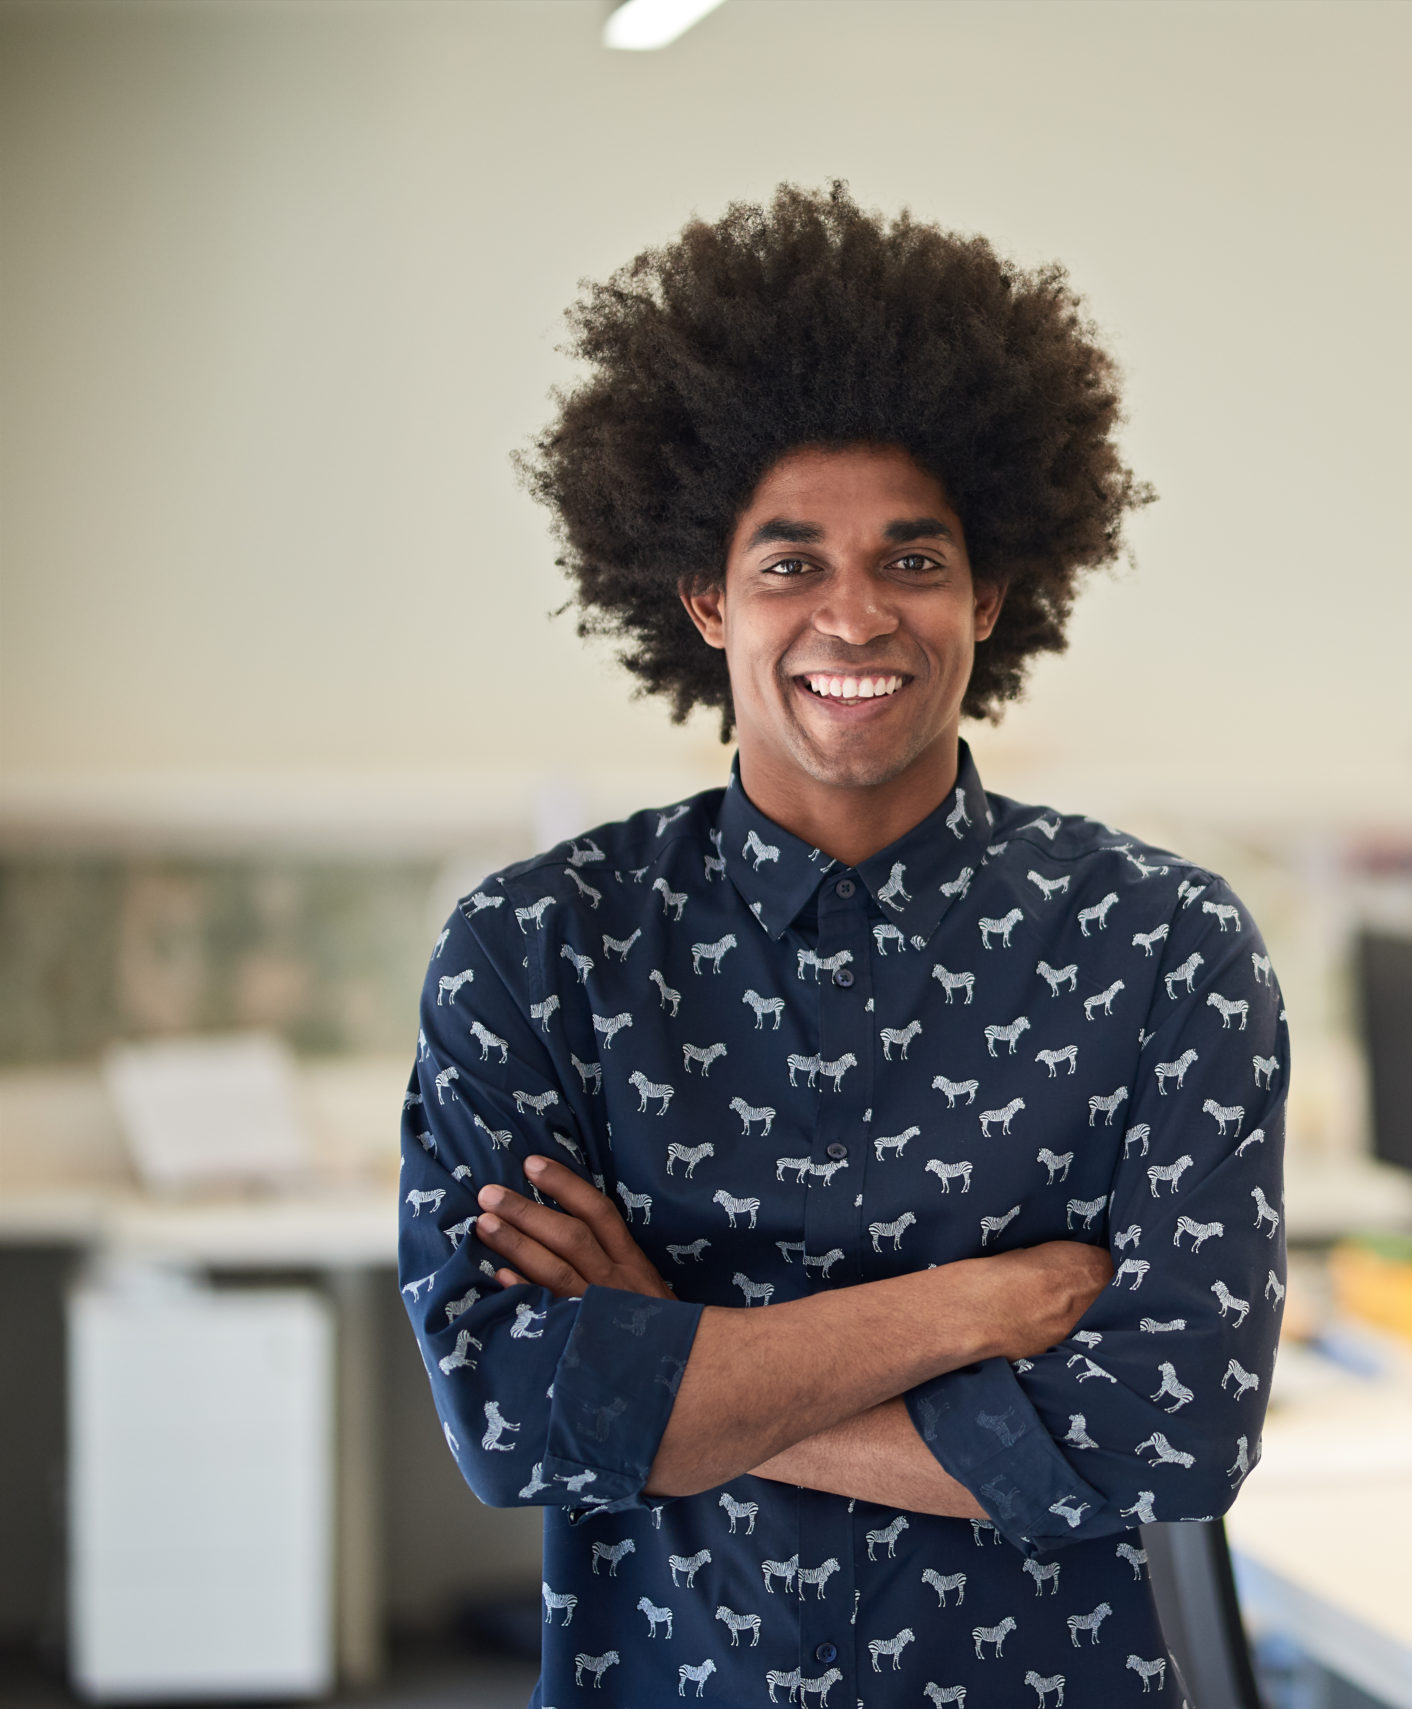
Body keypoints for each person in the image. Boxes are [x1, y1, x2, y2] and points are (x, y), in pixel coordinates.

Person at [397, 184, 1286, 1707]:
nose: (855, 615)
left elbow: (1169, 1436)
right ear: (704, 598)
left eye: (914, 560)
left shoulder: (1165, 950)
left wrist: (673, 1357)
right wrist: (970, 1310)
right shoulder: (539, 951)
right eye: (792, 562)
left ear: (992, 592)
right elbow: (515, 1412)